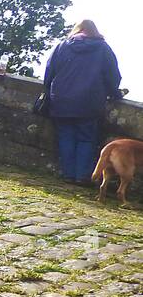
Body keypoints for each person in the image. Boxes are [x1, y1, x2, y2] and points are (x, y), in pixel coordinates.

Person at [43, 20, 124, 184]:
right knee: (86, 138)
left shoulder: (62, 46)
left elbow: (49, 72)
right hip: (89, 101)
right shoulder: (102, 48)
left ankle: (68, 174)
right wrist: (114, 93)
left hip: (61, 99)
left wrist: (49, 91)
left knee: (65, 136)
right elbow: (113, 76)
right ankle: (82, 176)